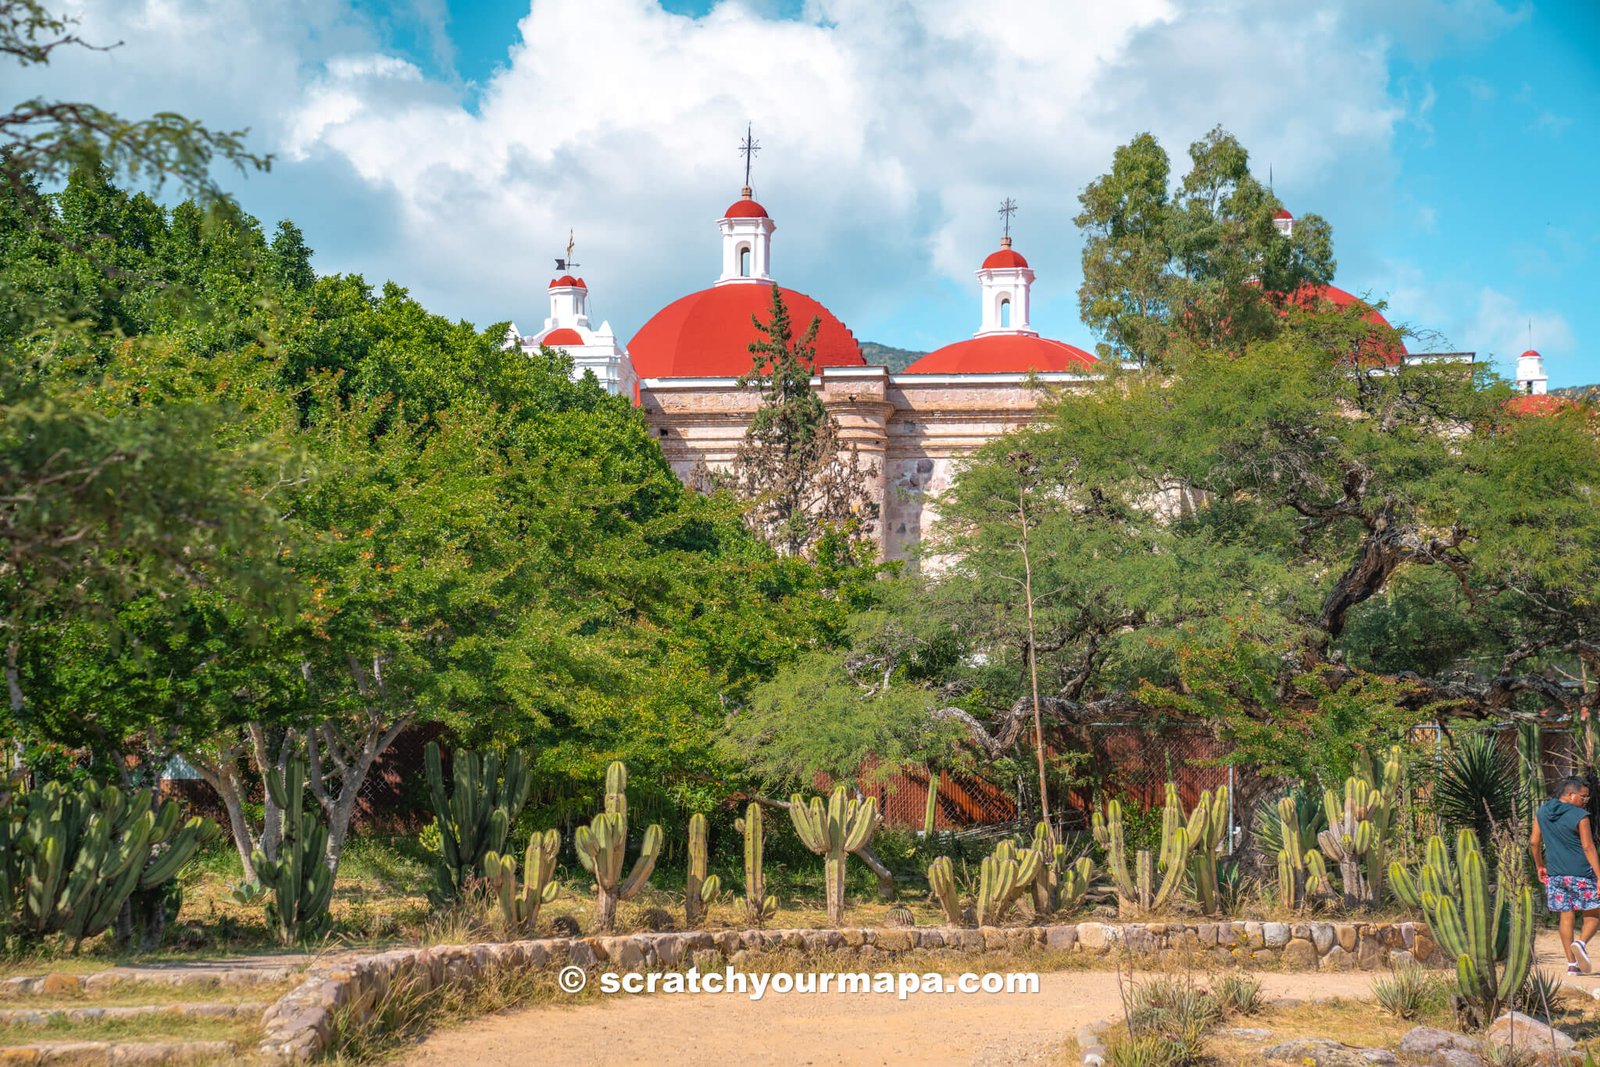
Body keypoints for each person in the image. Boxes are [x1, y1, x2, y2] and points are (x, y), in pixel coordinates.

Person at [1531, 775, 1600, 975]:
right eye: (1583, 797)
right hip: (1581, 873)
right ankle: (1581, 942)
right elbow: (1588, 848)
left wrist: (1539, 866)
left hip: (1556, 875)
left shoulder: (1542, 811)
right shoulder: (1580, 816)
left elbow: (1534, 842)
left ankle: (1572, 965)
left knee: (1566, 916)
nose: (1585, 801)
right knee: (1594, 913)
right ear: (1570, 795)